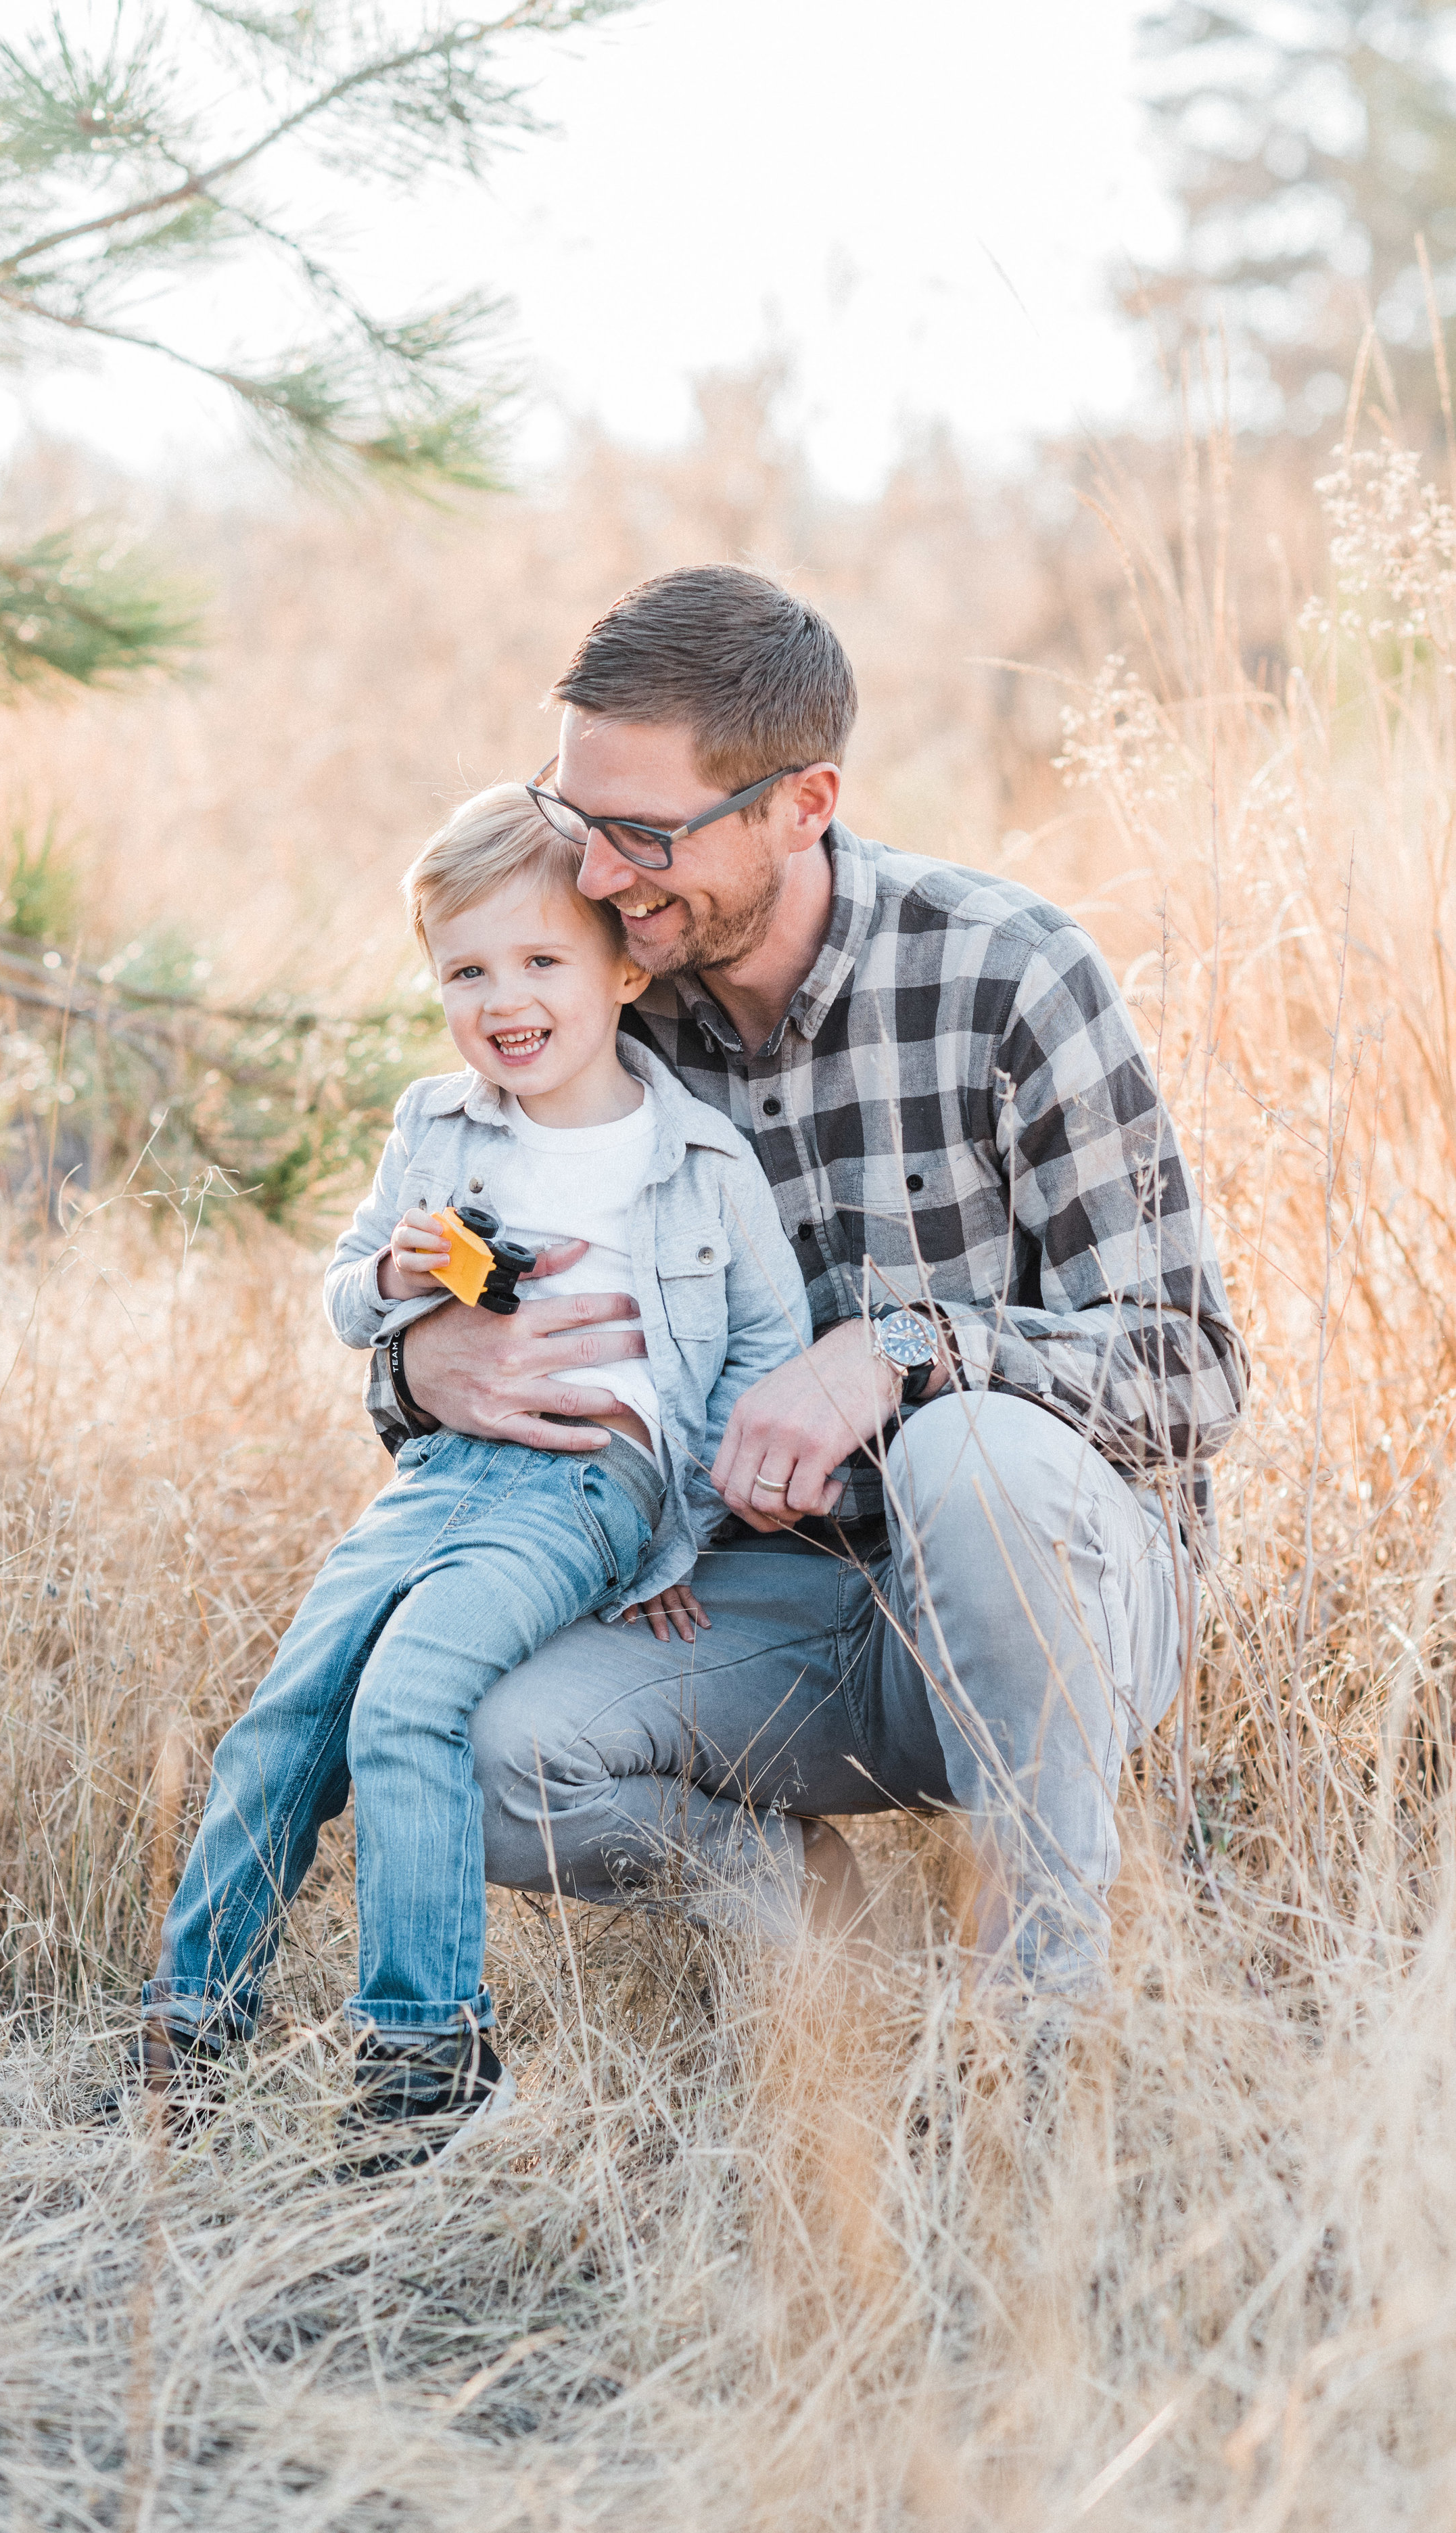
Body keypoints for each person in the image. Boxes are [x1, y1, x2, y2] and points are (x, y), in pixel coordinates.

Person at [371, 565, 1250, 1999]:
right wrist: (414, 1371)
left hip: (1051, 1588)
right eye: (575, 820)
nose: (597, 878)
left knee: (969, 1454)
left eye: (644, 835)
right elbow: (450, 1266)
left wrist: (893, 1353)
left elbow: (1190, 1368)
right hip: (767, 1612)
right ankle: (840, 1962)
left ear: (803, 803)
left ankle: (1045, 2013)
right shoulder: (595, 1001)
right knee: (464, 1752)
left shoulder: (1003, 974)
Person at [139, 785, 809, 2167]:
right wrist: (389, 1278)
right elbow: (345, 1288)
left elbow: (762, 1348)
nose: (504, 999)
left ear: (626, 966)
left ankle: (424, 2057)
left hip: (584, 1486)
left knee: (411, 1703)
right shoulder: (438, 1126)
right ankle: (186, 2032)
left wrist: (677, 1545)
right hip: (440, 1472)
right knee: (285, 1720)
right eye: (466, 970)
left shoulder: (695, 1158)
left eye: (541, 961)